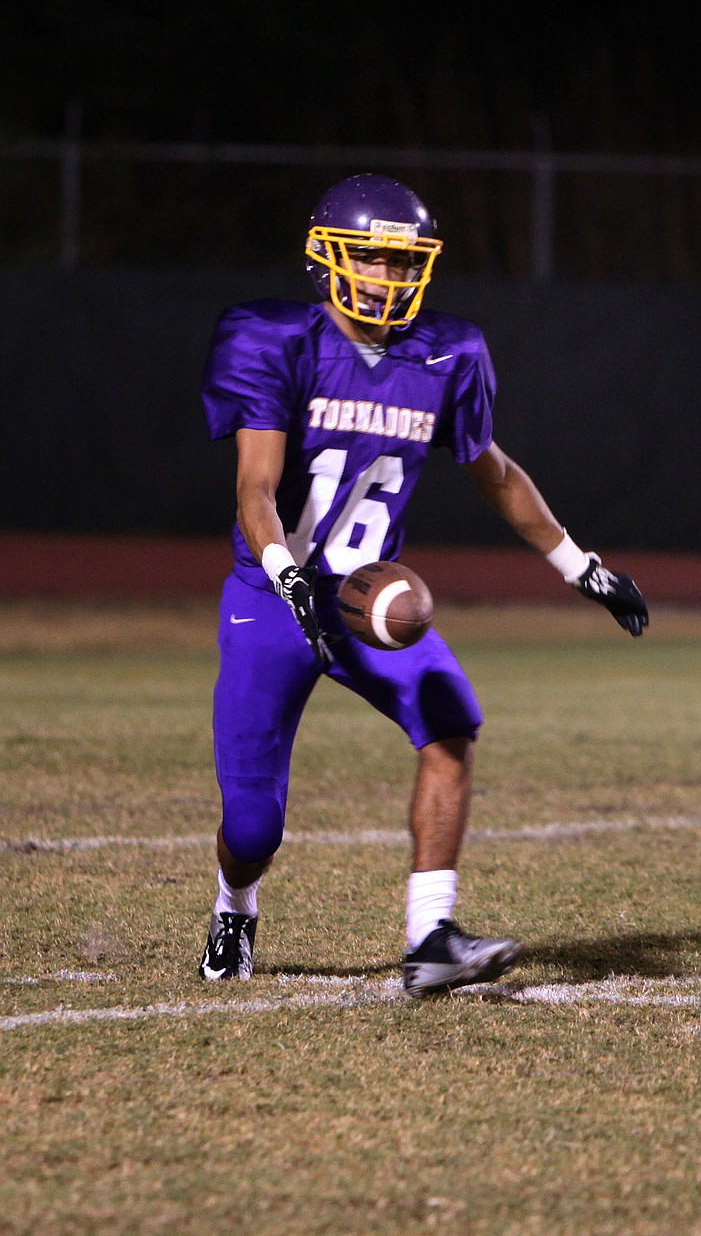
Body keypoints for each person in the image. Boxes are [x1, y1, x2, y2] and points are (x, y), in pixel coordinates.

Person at [198, 173, 648, 997]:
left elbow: (497, 473)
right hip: (273, 596)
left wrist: (581, 565)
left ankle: (431, 938)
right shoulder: (272, 339)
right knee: (253, 825)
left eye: (404, 264)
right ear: (328, 259)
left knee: (451, 723)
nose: (387, 278)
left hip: (368, 602)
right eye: (371, 259)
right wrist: (284, 574)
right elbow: (255, 490)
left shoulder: (448, 351)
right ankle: (236, 902)